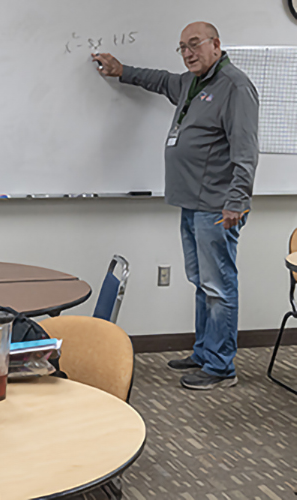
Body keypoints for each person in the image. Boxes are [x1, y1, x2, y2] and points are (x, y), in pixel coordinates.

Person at [93, 22, 258, 390]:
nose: (187, 52)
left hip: (218, 206)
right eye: (182, 46)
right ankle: (204, 351)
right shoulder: (189, 83)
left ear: (216, 45)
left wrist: (237, 200)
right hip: (191, 202)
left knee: (219, 286)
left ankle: (220, 367)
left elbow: (246, 150)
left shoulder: (234, 86)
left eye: (195, 44)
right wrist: (123, 71)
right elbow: (158, 79)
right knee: (202, 283)